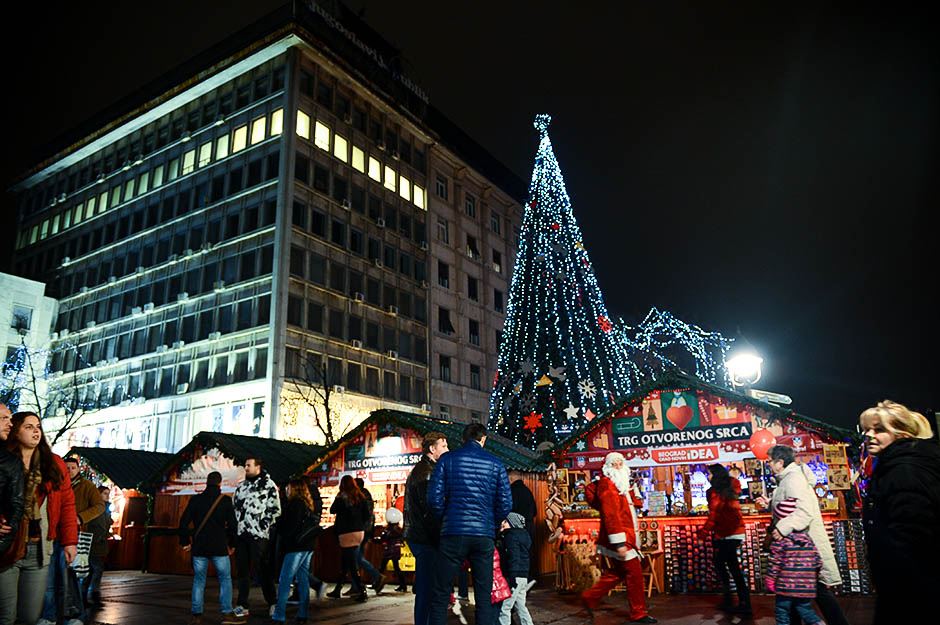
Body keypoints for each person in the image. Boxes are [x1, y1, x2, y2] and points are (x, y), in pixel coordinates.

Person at [859, 400, 940, 625]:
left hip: (911, 589)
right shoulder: (894, 465)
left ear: (901, 434)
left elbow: (912, 532)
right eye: (867, 429)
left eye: (879, 430)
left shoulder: (904, 470)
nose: (869, 435)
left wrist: (894, 578)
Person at [427, 423, 512, 625]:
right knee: (484, 596)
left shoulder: (447, 460)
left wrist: (445, 519)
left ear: (463, 439)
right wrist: (491, 524)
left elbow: (434, 500)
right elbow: (506, 503)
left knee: (440, 593)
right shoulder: (496, 463)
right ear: (483, 439)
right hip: (484, 536)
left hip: (453, 533)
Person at [0, 411, 78, 625]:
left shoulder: (54, 464)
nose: (36, 431)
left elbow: (67, 505)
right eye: (28, 426)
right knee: (5, 616)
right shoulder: (5, 460)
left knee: (30, 616)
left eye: (38, 427)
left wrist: (70, 541)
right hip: (9, 547)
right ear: (15, 432)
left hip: (40, 548)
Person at [756, 445, 847, 625]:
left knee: (812, 590)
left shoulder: (793, 479)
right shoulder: (788, 479)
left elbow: (803, 512)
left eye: (769, 461)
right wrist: (770, 503)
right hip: (798, 547)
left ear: (780, 462)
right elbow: (790, 505)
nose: (768, 464)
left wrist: (783, 528)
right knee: (800, 591)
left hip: (800, 547)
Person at [580, 452, 656, 624]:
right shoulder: (608, 486)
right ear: (607, 467)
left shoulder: (618, 484)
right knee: (634, 573)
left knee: (619, 572)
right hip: (621, 538)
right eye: (614, 463)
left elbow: (631, 505)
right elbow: (611, 515)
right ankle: (639, 613)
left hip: (624, 536)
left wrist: (632, 494)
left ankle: (590, 596)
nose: (618, 466)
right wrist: (619, 542)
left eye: (620, 463)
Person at [38, 456, 106, 624]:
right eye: (66, 467)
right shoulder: (54, 482)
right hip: (53, 535)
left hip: (74, 535)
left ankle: (75, 615)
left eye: (72, 468)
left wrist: (80, 518)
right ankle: (51, 615)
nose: (69, 470)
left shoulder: (87, 486)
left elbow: (99, 506)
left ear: (78, 469)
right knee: (51, 579)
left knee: (72, 577)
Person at [178, 471, 244, 625]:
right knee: (225, 579)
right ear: (220, 483)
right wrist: (232, 544)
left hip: (200, 547)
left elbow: (183, 523)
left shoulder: (196, 500)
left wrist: (184, 542)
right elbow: (234, 526)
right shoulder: (225, 501)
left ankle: (196, 615)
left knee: (199, 580)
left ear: (207, 482)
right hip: (219, 547)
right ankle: (227, 613)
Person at [404, 430, 449, 625]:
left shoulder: (427, 470)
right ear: (432, 449)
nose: (448, 449)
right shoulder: (426, 473)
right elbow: (430, 510)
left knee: (428, 587)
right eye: (444, 446)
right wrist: (441, 537)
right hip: (425, 539)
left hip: (422, 537)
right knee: (426, 589)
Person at [698, 464, 750, 615]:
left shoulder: (715, 492)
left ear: (715, 474)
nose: (708, 477)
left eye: (709, 474)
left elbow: (714, 515)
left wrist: (703, 534)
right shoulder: (731, 486)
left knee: (726, 566)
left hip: (727, 533)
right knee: (728, 566)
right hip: (734, 531)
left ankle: (740, 603)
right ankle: (738, 601)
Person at [765, 492, 823, 625]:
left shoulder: (781, 540)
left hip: (785, 586)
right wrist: (812, 576)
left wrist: (770, 579)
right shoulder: (808, 539)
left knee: (782, 612)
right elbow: (818, 561)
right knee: (806, 611)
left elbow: (775, 563)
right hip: (807, 587)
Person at [232, 456, 280, 616]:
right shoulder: (241, 486)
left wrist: (263, 524)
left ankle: (273, 602)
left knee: (263, 569)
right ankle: (242, 605)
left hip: (259, 535)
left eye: (248, 465)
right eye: (245, 465)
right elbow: (235, 506)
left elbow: (275, 509)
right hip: (242, 533)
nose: (245, 468)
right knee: (242, 571)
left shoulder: (268, 485)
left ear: (257, 467)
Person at [269, 478, 318, 624]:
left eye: (289, 487)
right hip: (307, 546)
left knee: (285, 580)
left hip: (295, 547)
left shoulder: (295, 504)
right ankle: (303, 614)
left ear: (294, 489)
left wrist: (279, 524)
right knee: (302, 579)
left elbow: (290, 527)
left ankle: (279, 615)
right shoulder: (307, 504)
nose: (286, 490)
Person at [327, 475, 372, 602]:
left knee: (351, 563)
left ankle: (362, 591)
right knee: (346, 561)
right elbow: (367, 515)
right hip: (358, 532)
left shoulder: (341, 497)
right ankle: (337, 589)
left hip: (346, 533)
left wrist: (338, 498)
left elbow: (332, 510)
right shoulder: (360, 496)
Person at [497, 512, 533, 625]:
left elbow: (514, 557)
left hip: (515, 576)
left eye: (505, 521)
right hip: (523, 576)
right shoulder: (524, 535)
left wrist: (512, 577)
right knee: (521, 606)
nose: (503, 523)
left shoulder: (511, 536)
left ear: (511, 523)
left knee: (505, 608)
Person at [351, 477, 384, 594]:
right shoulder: (366, 496)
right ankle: (355, 586)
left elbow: (361, 515)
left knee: (357, 558)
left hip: (360, 531)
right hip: (365, 530)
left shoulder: (360, 496)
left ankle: (376, 576)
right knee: (355, 558)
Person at [0, 403, 25, 558]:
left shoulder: (11, 462)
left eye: (10, 418)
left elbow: (16, 507)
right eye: (3, 418)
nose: (10, 423)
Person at [82, 486, 111, 607]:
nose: (107, 496)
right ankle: (93, 593)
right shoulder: (95, 508)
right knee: (96, 569)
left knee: (93, 570)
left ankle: (87, 595)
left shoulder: (105, 509)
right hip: (92, 543)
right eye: (104, 493)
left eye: (108, 494)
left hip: (99, 544)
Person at [508, 469, 538, 583]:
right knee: (527, 554)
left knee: (516, 556)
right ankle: (529, 578)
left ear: (511, 479)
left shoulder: (512, 492)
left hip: (516, 528)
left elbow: (508, 510)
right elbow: (535, 511)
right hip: (530, 527)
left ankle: (517, 582)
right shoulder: (528, 491)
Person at [377, 507, 406, 592]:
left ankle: (377, 582)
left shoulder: (389, 530)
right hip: (396, 550)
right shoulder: (399, 530)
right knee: (397, 568)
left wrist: (375, 539)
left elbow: (383, 538)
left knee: (382, 567)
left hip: (389, 550)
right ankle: (403, 585)